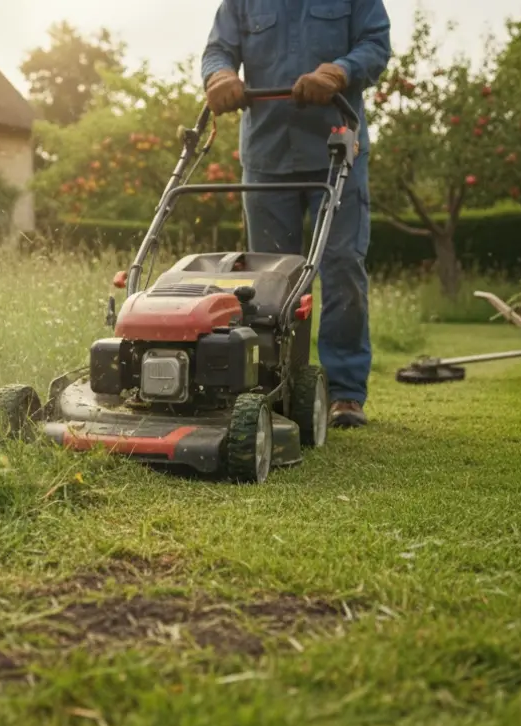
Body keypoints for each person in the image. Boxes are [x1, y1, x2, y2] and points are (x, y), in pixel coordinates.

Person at [202, 0, 391, 428]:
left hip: (338, 151)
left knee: (342, 264)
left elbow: (375, 43)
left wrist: (338, 72)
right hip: (267, 155)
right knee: (268, 282)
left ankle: (345, 392)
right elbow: (218, 49)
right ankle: (276, 388)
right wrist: (221, 75)